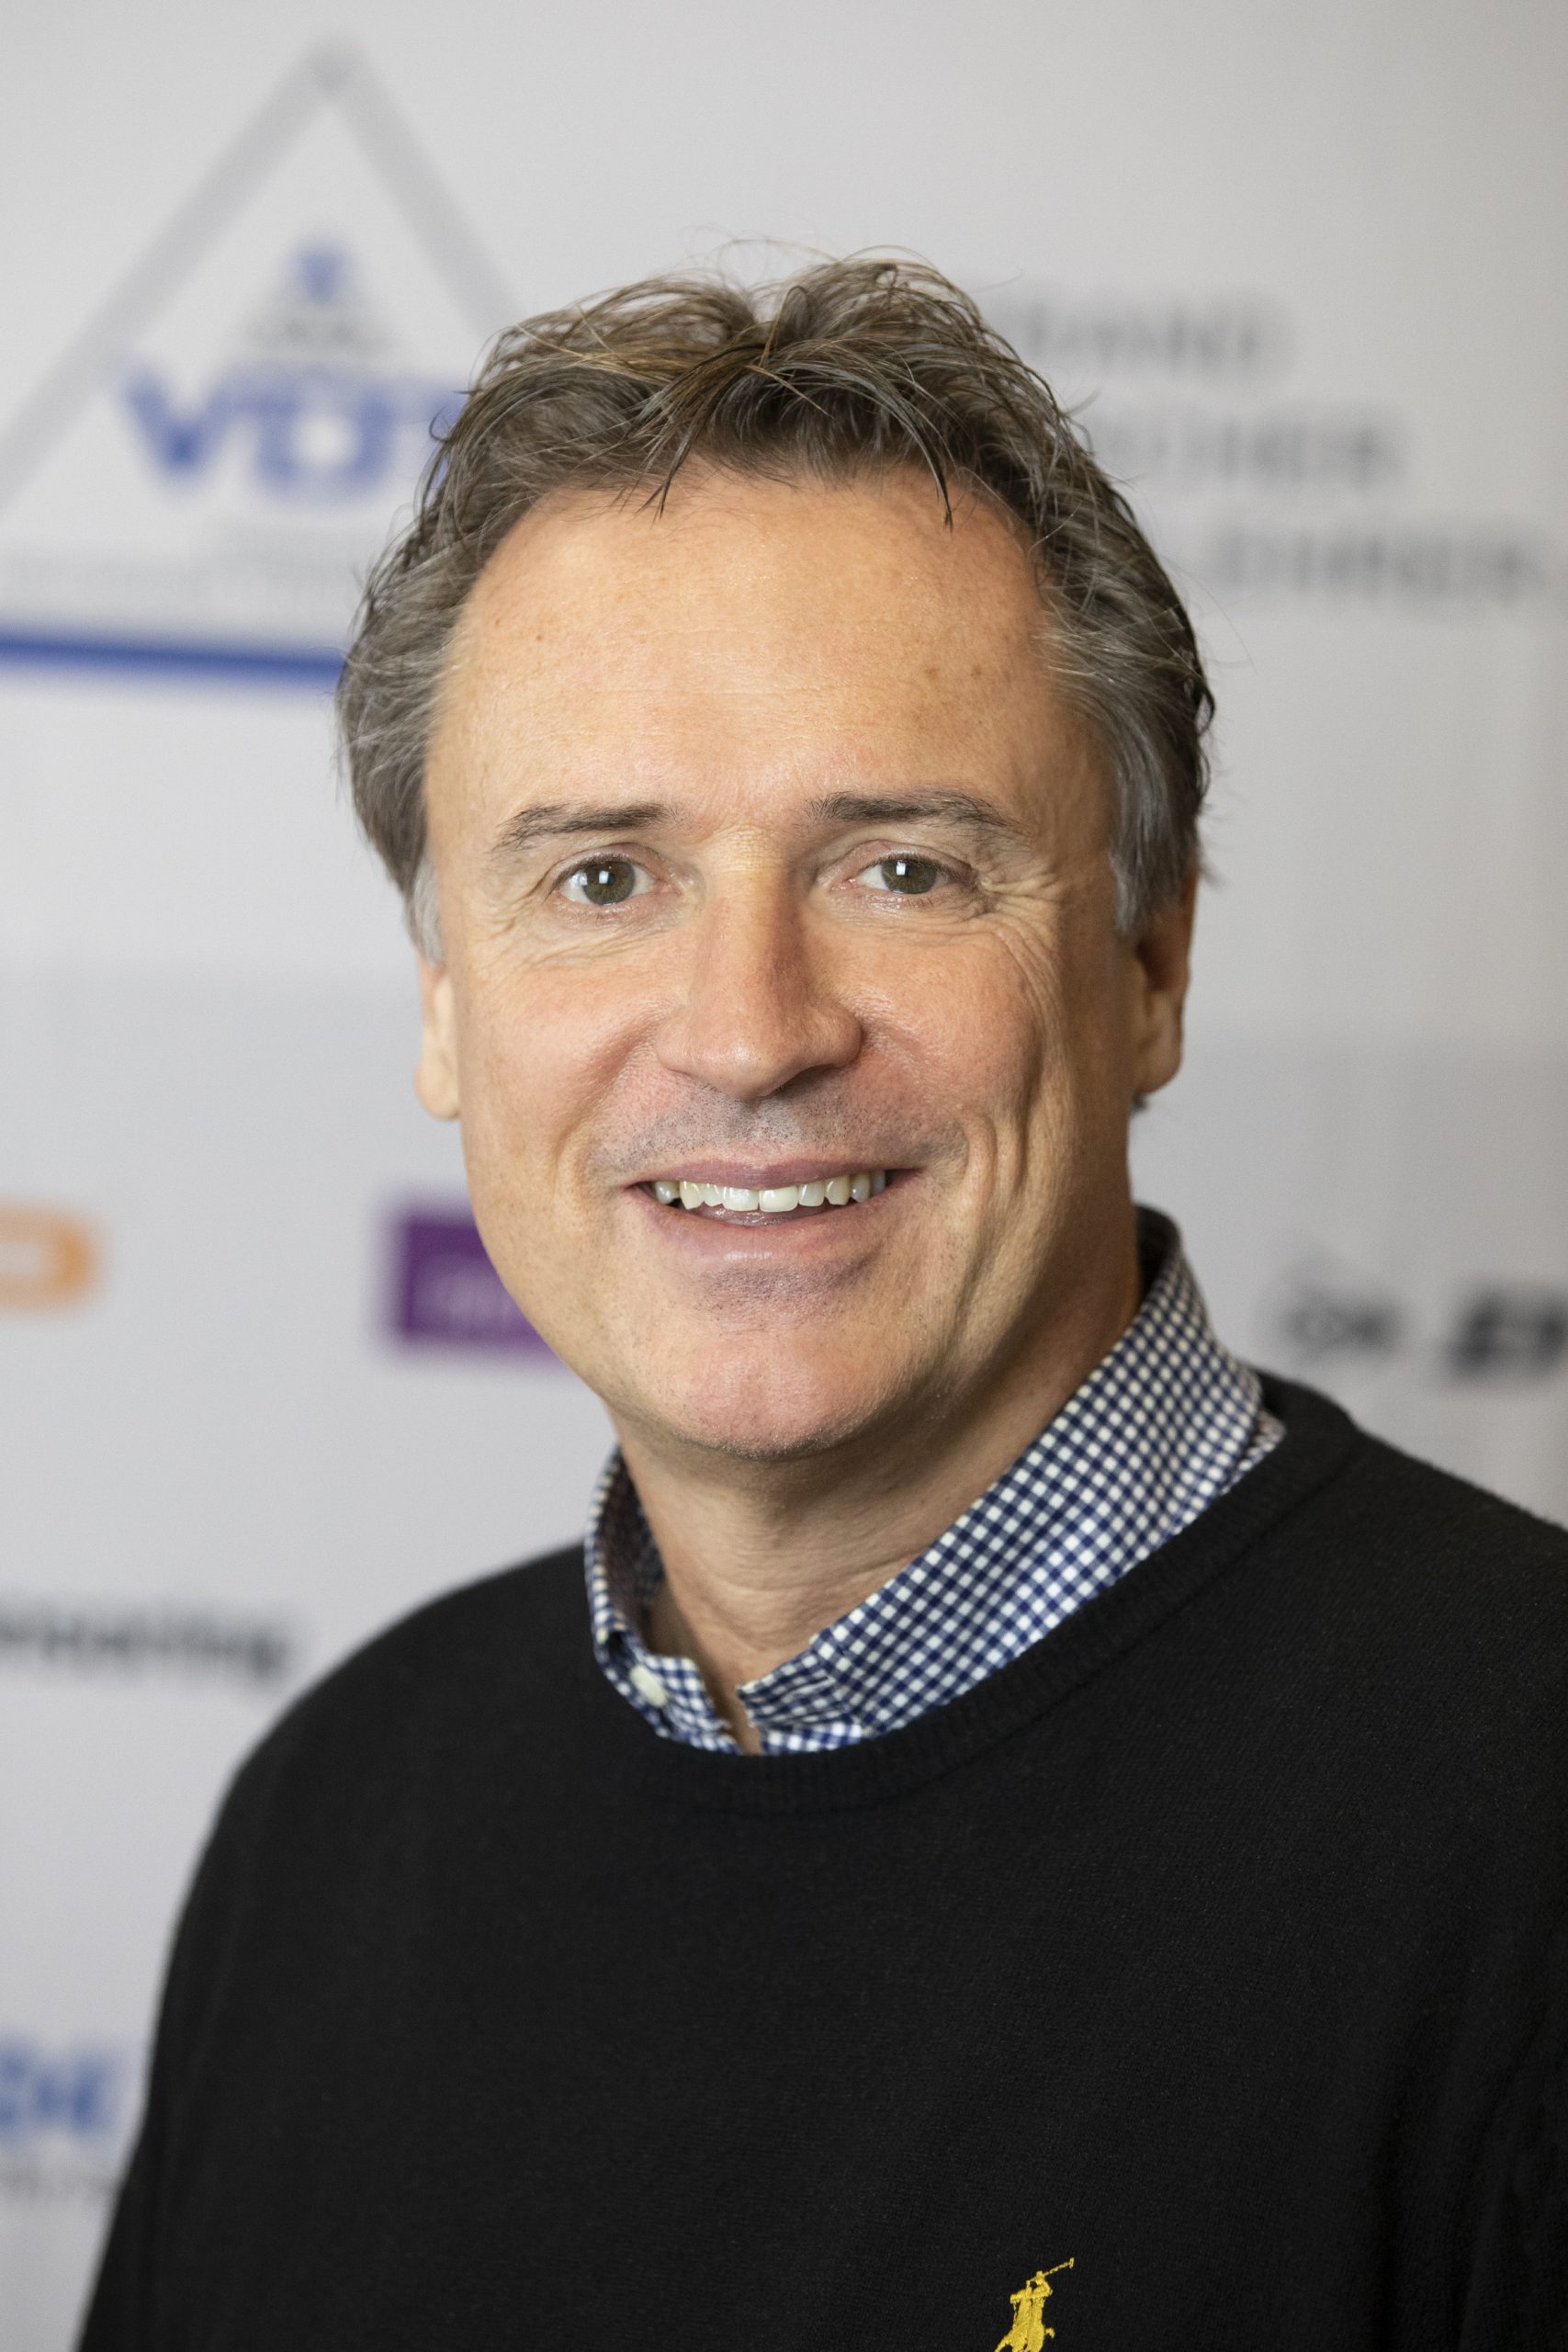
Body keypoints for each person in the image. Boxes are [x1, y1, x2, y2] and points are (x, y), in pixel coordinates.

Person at [81, 259, 1565, 2349]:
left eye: (902, 867)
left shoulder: (1521, 1831)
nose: (750, 1029)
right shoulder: (334, 1822)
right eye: (603, 877)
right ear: (445, 1005)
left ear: (1148, 960)